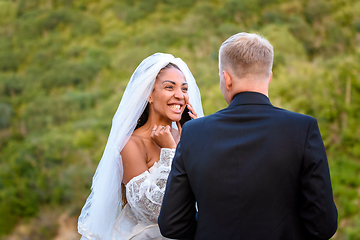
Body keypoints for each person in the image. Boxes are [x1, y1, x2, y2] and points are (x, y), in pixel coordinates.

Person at [158, 33, 338, 240]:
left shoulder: (193, 132)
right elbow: (323, 226)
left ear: (226, 79)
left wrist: (211, 224)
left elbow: (172, 225)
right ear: (269, 76)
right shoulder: (303, 128)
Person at [78, 53, 204, 240]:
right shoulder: (130, 144)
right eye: (169, 87)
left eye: (184, 89)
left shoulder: (187, 137)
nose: (180, 95)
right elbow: (152, 211)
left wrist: (193, 138)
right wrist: (170, 152)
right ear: (149, 95)